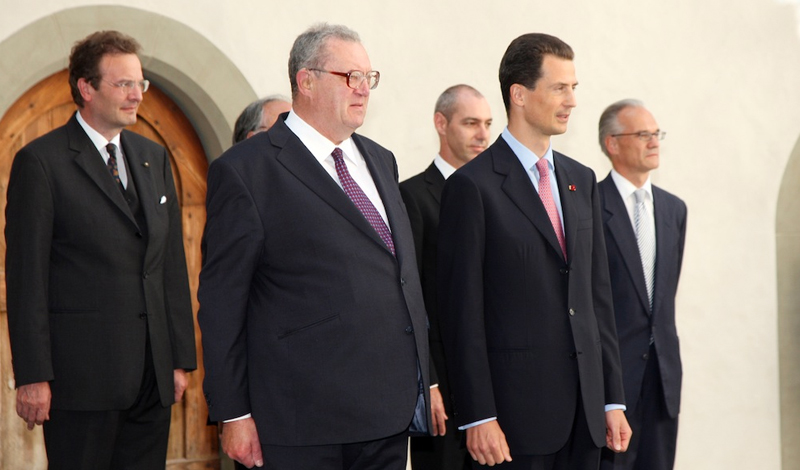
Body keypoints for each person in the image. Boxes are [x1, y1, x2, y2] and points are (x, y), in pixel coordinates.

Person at [198, 23, 431, 470]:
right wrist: (234, 412)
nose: (364, 89)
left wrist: (425, 381)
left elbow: (399, 275)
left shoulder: (381, 159)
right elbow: (222, 302)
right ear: (306, 81)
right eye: (350, 77)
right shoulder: (248, 170)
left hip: (386, 413)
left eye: (369, 77)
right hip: (301, 420)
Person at [437, 33, 632, 469]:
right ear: (519, 95)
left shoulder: (581, 181)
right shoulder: (472, 188)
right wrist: (479, 415)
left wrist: (611, 400)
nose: (572, 101)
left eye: (574, 88)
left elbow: (597, 299)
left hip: (586, 417)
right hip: (512, 422)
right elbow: (461, 315)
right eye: (559, 88)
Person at [5, 30, 196, 469]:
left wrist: (179, 358)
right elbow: (26, 278)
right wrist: (34, 375)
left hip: (152, 377)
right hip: (81, 382)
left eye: (140, 84)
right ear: (86, 88)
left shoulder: (154, 157)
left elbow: (168, 265)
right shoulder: (41, 163)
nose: (136, 96)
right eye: (124, 84)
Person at [400, 84, 492, 470]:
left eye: (488, 124)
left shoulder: (496, 195)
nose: (483, 134)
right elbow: (410, 295)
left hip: (494, 384)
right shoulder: (411, 196)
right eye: (471, 123)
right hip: (442, 387)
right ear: (441, 123)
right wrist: (429, 384)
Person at [597, 100, 686, 470]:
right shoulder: (590, 205)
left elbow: (664, 297)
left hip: (663, 380)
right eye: (643, 134)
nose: (654, 142)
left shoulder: (673, 209)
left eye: (656, 134)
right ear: (612, 143)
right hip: (613, 382)